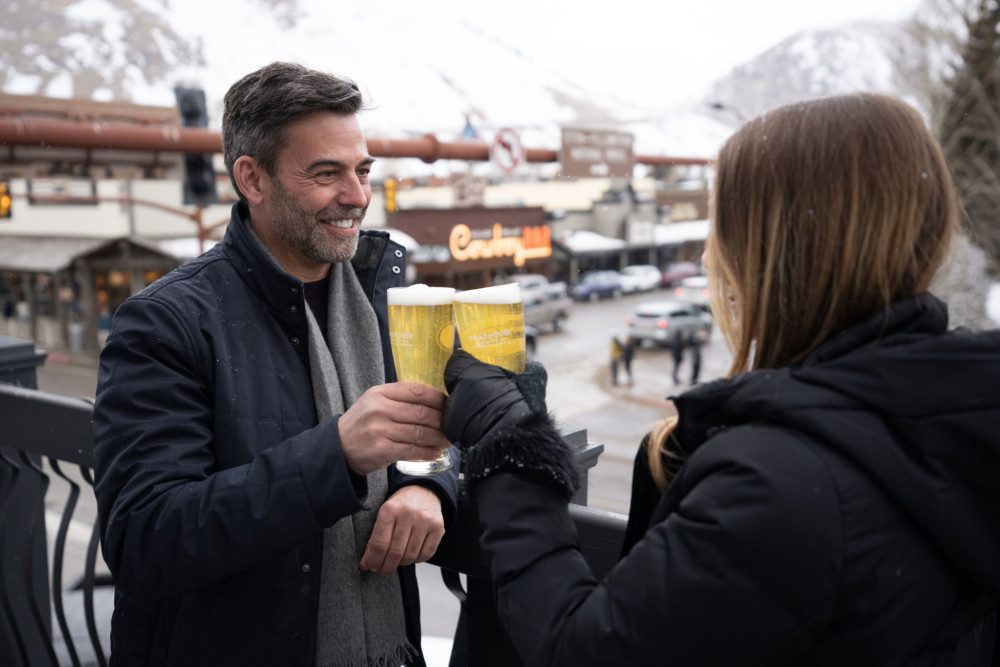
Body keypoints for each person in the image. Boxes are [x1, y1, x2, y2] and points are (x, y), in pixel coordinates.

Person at [439, 93, 999, 665]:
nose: (711, 254)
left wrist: (511, 446)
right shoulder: (949, 419)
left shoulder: (781, 487)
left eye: (723, 226)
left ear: (768, 254)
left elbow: (581, 652)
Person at [92, 62, 458, 667]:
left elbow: (456, 428)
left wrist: (429, 486)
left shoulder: (384, 296)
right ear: (251, 179)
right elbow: (145, 538)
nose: (357, 196)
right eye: (326, 174)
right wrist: (335, 455)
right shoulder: (165, 322)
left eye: (362, 170)